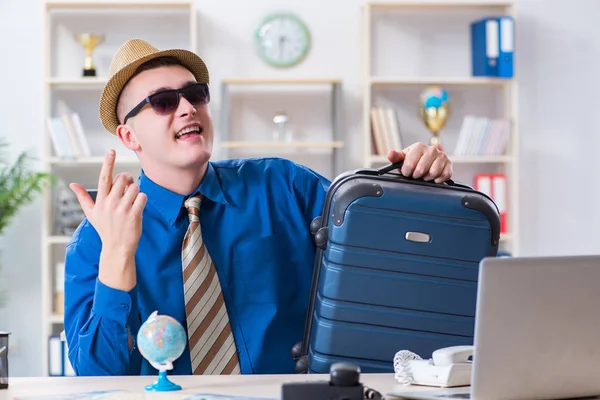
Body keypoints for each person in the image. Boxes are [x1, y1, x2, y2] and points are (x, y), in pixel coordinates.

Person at [63, 38, 453, 377]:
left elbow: (386, 249)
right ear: (129, 136)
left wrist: (421, 182)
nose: (187, 108)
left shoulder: (283, 185)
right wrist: (117, 257)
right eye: (164, 102)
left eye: (195, 94)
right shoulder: (95, 240)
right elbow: (100, 377)